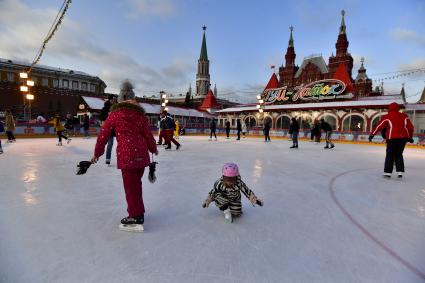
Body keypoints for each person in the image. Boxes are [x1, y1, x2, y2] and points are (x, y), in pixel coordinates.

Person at [91, 80, 158, 231]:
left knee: (131, 186)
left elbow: (103, 135)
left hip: (127, 156)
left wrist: (97, 153)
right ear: (133, 99)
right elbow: (148, 135)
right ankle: (138, 211)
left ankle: (136, 215)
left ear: (120, 100)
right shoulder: (141, 115)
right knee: (136, 184)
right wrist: (153, 149)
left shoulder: (115, 114)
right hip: (141, 156)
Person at [369, 102, 414, 178]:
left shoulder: (387, 116)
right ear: (398, 108)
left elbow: (379, 126)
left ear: (389, 108)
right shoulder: (404, 116)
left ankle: (387, 172)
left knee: (390, 155)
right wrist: (410, 137)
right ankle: (400, 172)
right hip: (403, 138)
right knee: (399, 154)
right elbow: (411, 128)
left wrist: (372, 134)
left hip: (392, 138)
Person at [99, 94, 117, 165]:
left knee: (122, 143)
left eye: (114, 99)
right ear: (109, 100)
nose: (114, 101)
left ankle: (123, 158)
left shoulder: (117, 107)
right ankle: (108, 159)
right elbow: (101, 117)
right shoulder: (105, 108)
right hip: (109, 128)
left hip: (117, 128)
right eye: (112, 99)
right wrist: (108, 115)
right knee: (110, 144)